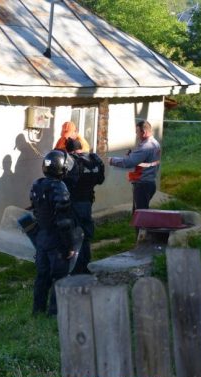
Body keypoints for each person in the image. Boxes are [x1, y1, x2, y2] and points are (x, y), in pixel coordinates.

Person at [30, 150, 77, 316]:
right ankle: (54, 313)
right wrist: (69, 246)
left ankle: (37, 311)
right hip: (56, 240)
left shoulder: (37, 184)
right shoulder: (59, 187)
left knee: (42, 276)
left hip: (41, 238)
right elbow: (63, 222)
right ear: (61, 168)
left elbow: (36, 211)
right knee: (60, 276)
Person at [63, 138, 105, 274]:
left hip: (74, 202)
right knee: (85, 234)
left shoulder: (72, 161)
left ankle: (77, 268)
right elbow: (100, 180)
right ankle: (86, 265)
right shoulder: (93, 159)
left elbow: (65, 180)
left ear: (69, 150)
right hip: (88, 200)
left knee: (76, 235)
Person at [108, 120, 161, 213]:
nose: (136, 134)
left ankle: (142, 224)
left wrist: (111, 160)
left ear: (144, 132)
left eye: (137, 132)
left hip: (142, 185)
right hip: (149, 183)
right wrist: (132, 155)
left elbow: (129, 163)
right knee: (141, 212)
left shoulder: (146, 146)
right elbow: (145, 161)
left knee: (140, 215)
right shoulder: (155, 143)